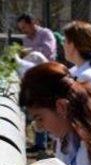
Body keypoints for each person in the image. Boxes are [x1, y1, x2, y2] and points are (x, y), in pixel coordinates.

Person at [17, 13, 57, 154]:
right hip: (35, 78)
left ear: (32, 23)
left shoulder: (46, 34)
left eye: (24, 27)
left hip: (49, 75)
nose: (23, 31)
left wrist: (30, 52)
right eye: (21, 28)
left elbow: (48, 52)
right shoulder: (26, 39)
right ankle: (40, 144)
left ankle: (53, 143)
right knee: (38, 108)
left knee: (49, 108)